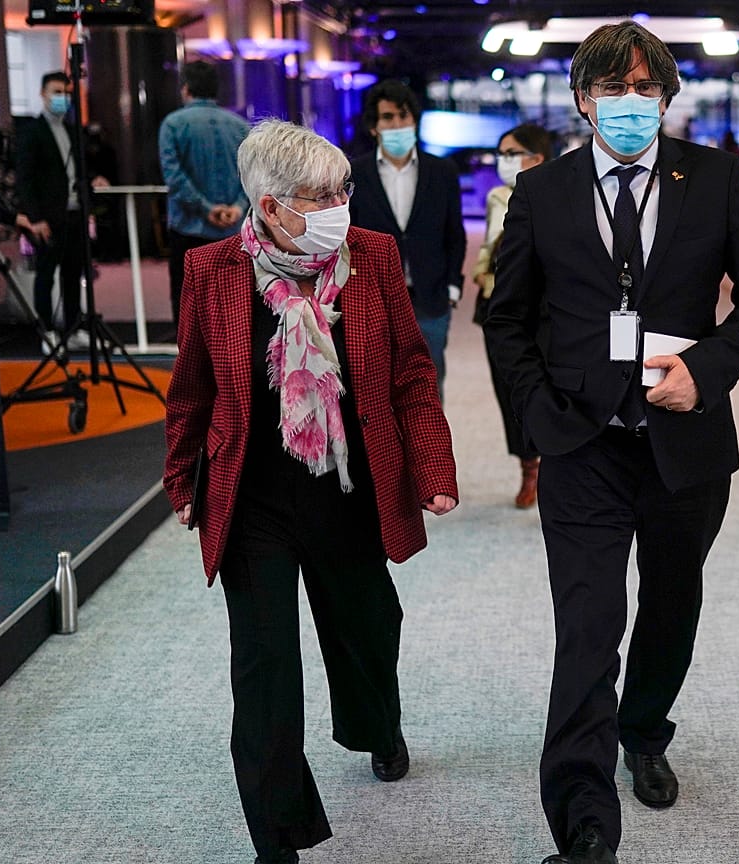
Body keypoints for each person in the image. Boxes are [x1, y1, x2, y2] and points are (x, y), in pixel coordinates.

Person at [484, 22, 739, 864]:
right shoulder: (541, 191)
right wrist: (540, 414)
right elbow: (506, 318)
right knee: (586, 626)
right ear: (582, 99)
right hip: (582, 445)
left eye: (645, 88)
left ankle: (645, 728)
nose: (629, 103)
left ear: (667, 97)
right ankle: (586, 825)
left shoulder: (718, 179)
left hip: (685, 443)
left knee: (671, 603)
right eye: (611, 89)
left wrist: (708, 368)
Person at [162, 120, 458, 864]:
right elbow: (193, 385)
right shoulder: (212, 269)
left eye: (341, 191)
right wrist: (181, 477)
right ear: (268, 207)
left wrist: (434, 467)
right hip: (253, 493)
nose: (337, 206)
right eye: (316, 196)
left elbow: (411, 375)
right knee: (264, 669)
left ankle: (378, 727)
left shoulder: (374, 257)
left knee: (367, 633)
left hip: (349, 488)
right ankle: (278, 840)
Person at [348, 80, 466, 396]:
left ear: (414, 119)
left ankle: (427, 446)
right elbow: (347, 236)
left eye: (403, 116)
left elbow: (455, 233)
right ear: (374, 127)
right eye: (387, 118)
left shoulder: (442, 171)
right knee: (375, 383)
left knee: (427, 382)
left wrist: (453, 285)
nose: (397, 124)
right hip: (374, 295)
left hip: (430, 296)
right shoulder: (353, 174)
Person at [473, 123, 551, 508]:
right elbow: (488, 245)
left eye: (512, 153)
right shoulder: (496, 197)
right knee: (509, 389)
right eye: (501, 154)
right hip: (495, 303)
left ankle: (555, 463)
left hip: (542, 306)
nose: (504, 161)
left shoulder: (557, 195)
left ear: (536, 158)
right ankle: (528, 468)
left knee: (547, 384)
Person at [15, 71, 109, 347]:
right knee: (46, 275)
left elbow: (78, 170)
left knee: (73, 274)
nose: (62, 98)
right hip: (47, 216)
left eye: (66, 93)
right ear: (43, 94)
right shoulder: (32, 132)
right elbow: (25, 179)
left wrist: (92, 181)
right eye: (56, 92)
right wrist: (34, 218)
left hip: (74, 213)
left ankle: (72, 328)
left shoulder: (72, 130)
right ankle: (47, 331)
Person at [159, 60, 251, 331]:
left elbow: (174, 177)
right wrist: (237, 206)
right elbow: (251, 174)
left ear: (185, 89)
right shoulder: (240, 125)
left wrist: (206, 208)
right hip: (234, 228)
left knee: (187, 302)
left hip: (188, 227)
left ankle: (190, 361)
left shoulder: (172, 124)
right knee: (233, 302)